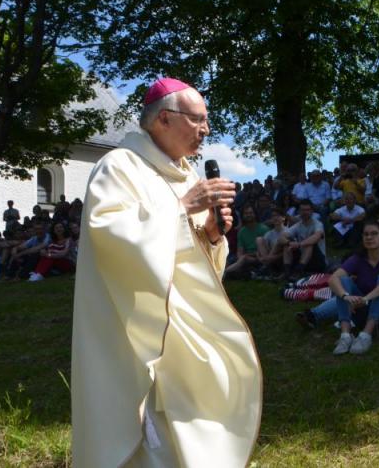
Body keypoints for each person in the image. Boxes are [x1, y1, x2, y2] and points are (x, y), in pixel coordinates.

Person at [71, 77, 260, 467]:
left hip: (188, 317)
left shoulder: (187, 174)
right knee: (149, 423)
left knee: (200, 405)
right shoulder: (119, 166)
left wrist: (209, 235)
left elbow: (188, 248)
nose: (206, 131)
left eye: (207, 121)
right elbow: (109, 235)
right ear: (164, 120)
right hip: (136, 319)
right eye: (198, 120)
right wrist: (181, 208)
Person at [303, 221, 379, 355]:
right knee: (343, 280)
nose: (369, 237)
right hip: (364, 309)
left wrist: (366, 298)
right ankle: (345, 335)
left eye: (374, 234)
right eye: (366, 234)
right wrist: (345, 296)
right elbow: (333, 278)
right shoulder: (358, 259)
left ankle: (366, 335)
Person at [283, 199, 326, 278]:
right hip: (302, 258)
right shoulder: (298, 225)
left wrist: (299, 244)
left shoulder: (318, 224)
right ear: (299, 211)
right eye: (302, 210)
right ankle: (287, 271)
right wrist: (289, 243)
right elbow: (282, 236)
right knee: (286, 244)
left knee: (309, 244)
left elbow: (317, 236)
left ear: (312, 211)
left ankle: (298, 271)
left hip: (317, 260)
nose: (305, 212)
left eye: (307, 210)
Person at [225, 205, 267, 279]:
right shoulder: (242, 231)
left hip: (259, 257)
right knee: (229, 260)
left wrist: (245, 257)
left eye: (251, 213)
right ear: (243, 215)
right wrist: (240, 258)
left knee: (243, 259)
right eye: (246, 213)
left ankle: (224, 274)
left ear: (255, 214)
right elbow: (240, 250)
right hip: (246, 257)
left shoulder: (263, 229)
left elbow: (266, 250)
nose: (248, 215)